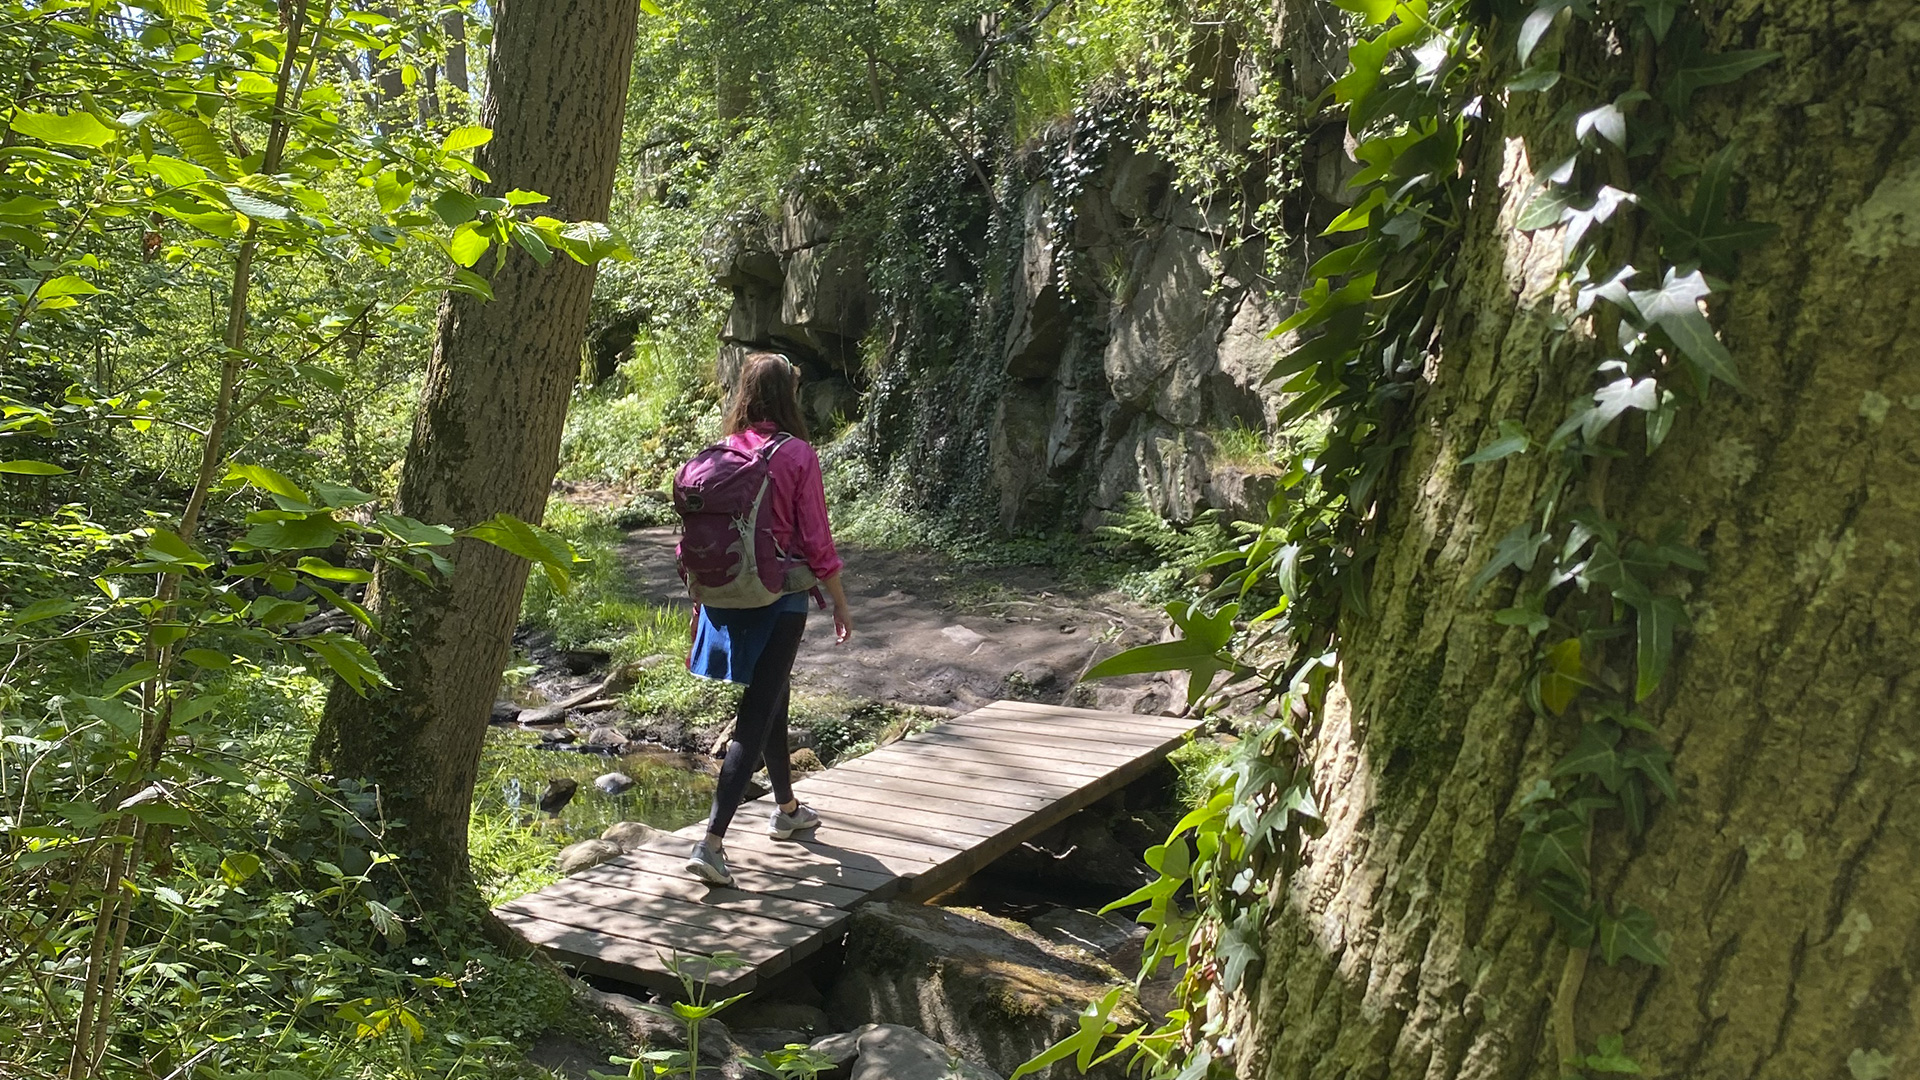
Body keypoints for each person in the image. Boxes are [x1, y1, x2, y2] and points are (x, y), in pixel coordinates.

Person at [683, 352, 852, 886]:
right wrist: (840, 600)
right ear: (789, 395)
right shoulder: (797, 453)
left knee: (773, 694)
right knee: (755, 714)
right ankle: (710, 843)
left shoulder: (722, 451)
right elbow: (816, 536)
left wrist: (699, 602)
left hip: (723, 592)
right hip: (777, 596)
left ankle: (787, 810)